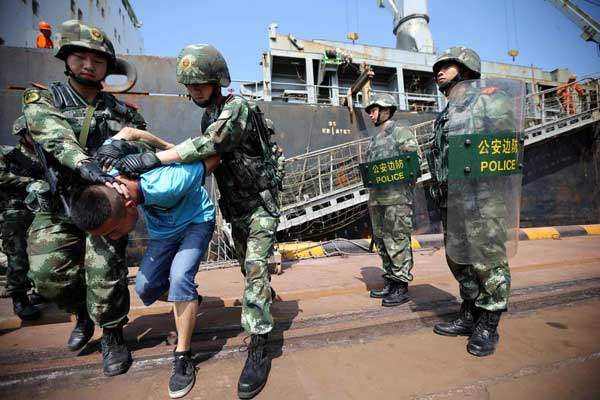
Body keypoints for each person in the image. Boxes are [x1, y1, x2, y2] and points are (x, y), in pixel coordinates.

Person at [101, 44, 284, 399]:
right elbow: (194, 152)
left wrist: (153, 158)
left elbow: (210, 143)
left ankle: (260, 342)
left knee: (257, 265)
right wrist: (140, 139)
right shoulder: (209, 114)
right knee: (250, 268)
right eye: (190, 85)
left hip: (260, 205)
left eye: (201, 83)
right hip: (235, 205)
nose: (194, 91)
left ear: (218, 80)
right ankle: (259, 294)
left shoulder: (236, 108)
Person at [21, 19, 149, 376]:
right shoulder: (44, 98)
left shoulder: (124, 113)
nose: (89, 65)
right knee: (46, 273)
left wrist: (126, 167)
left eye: (98, 60)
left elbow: (139, 145)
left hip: (105, 204)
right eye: (80, 57)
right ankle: (83, 313)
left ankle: (111, 333)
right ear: (66, 59)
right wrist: (82, 163)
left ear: (108, 66)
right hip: (61, 201)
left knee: (105, 271)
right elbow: (50, 131)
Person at [73, 130, 220, 398]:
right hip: (164, 231)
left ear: (129, 206)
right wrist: (118, 141)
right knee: (146, 287)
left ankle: (183, 356)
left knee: (179, 278)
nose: (114, 238)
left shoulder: (167, 183)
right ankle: (187, 300)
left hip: (196, 221)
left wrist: (162, 155)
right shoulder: (109, 168)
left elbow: (214, 157)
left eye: (114, 232)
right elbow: (128, 132)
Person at [426, 46, 517, 357]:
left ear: (465, 69)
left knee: (487, 261)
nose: (439, 70)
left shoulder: (490, 100)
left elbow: (505, 148)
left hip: (482, 198)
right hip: (453, 200)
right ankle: (469, 313)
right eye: (437, 66)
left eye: (447, 65)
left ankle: (489, 322)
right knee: (459, 258)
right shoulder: (446, 114)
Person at [363, 93, 419, 307]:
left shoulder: (401, 133)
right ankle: (390, 280)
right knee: (382, 241)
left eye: (373, 109)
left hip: (397, 199)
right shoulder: (375, 139)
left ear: (386, 110)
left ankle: (401, 286)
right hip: (377, 200)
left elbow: (413, 163)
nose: (370, 113)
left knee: (397, 240)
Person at [0, 117, 42, 321]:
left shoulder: (46, 155)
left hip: (42, 210)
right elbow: (1, 177)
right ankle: (19, 298)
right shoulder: (8, 154)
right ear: (22, 134)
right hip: (15, 211)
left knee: (43, 253)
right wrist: (31, 181)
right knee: (17, 254)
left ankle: (41, 290)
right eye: (31, 132)